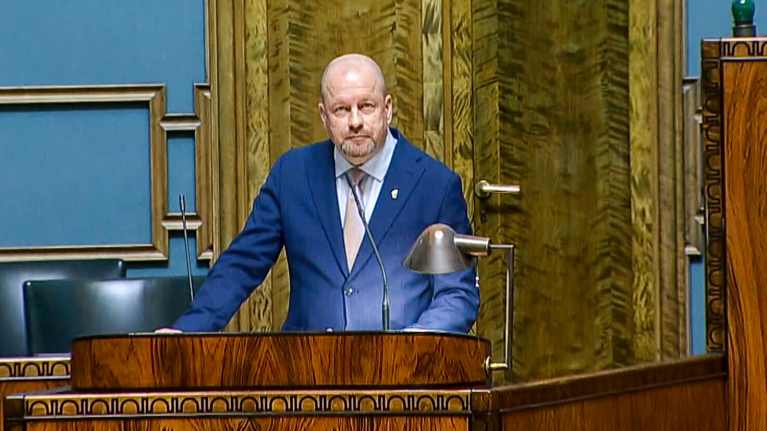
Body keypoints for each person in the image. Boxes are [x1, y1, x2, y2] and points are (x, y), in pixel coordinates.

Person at [171, 53, 478, 333]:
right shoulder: (292, 175)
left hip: (401, 379)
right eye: (341, 110)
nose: (355, 121)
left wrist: (410, 347)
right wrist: (186, 332)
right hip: (306, 375)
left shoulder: (434, 184)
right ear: (323, 116)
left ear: (387, 108)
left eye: (366, 106)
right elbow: (242, 264)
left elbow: (457, 294)